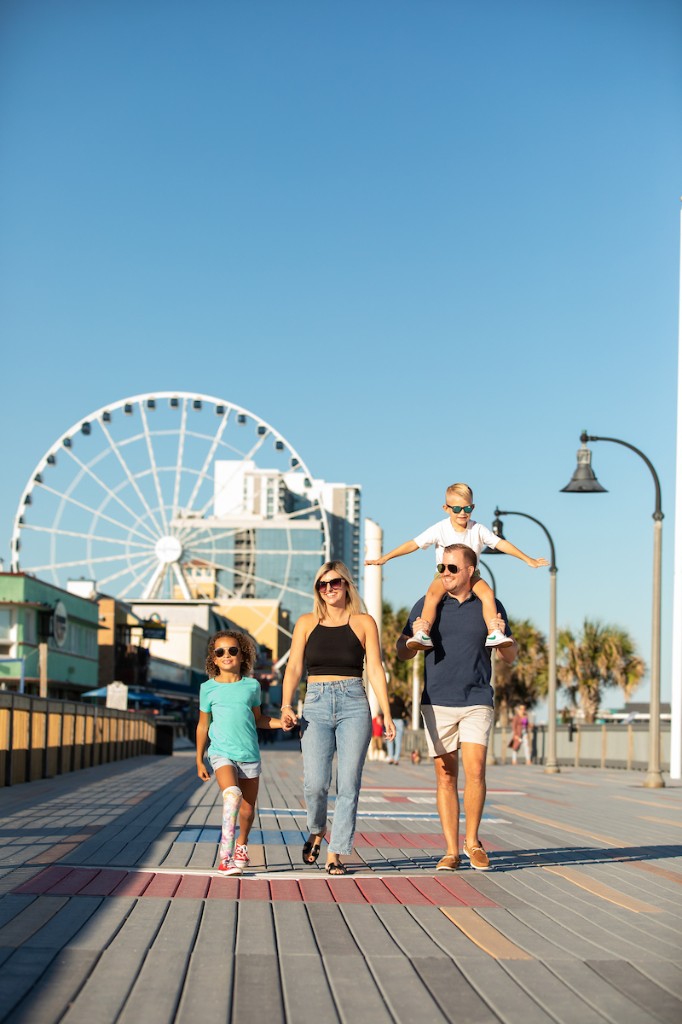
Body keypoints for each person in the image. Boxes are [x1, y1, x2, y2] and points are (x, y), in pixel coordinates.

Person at [397, 543, 518, 872]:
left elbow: (510, 654)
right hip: (437, 701)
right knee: (446, 776)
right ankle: (451, 850)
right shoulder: (427, 605)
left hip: (477, 698)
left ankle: (473, 841)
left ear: (470, 572)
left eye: (452, 568)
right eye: (442, 568)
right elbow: (402, 649)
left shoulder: (488, 605)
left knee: (476, 770)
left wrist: (506, 638)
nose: (445, 574)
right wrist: (413, 639)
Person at [281, 561, 395, 875]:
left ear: (346, 585)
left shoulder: (364, 623)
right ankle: (317, 829)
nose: (329, 589)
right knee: (315, 784)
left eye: (335, 583)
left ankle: (336, 851)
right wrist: (286, 705)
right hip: (315, 704)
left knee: (348, 784)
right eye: (322, 584)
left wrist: (385, 712)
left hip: (354, 703)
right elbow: (293, 668)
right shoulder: (306, 622)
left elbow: (374, 669)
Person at [366, 481, 547, 651]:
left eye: (467, 508)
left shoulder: (477, 529)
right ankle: (423, 633)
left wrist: (527, 559)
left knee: (488, 594)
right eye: (457, 509)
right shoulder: (440, 529)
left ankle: (494, 633)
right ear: (446, 508)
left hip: (471, 574)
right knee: (432, 594)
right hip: (445, 574)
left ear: (473, 507)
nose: (462, 513)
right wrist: (386, 558)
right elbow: (413, 543)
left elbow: (501, 544)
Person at [196, 630, 282, 876]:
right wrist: (199, 758)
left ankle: (242, 845)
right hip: (221, 751)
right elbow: (203, 725)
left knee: (246, 809)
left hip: (249, 754)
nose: (226, 655)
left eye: (232, 650)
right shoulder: (208, 688)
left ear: (242, 655)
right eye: (220, 652)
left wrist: (282, 722)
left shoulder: (251, 686)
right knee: (231, 795)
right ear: (213, 658)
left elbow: (259, 719)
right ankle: (225, 857)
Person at [385, 693, 408, 764]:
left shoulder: (390, 705)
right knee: (398, 742)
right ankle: (396, 759)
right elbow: (406, 713)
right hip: (400, 722)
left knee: (390, 739)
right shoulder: (401, 704)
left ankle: (391, 757)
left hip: (392, 721)